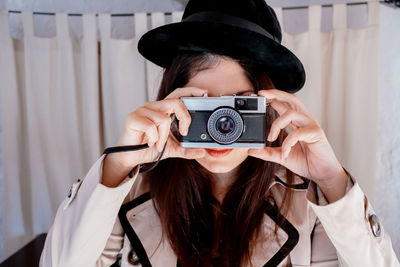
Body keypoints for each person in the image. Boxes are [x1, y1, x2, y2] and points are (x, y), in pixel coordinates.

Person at [40, 0, 400, 266]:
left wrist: (331, 179)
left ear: (269, 107)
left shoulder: (309, 200)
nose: (221, 126)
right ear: (173, 102)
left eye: (238, 106)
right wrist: (117, 165)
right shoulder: (130, 187)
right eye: (204, 106)